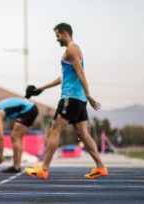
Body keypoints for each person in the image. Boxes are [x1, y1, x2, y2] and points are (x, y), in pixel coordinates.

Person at [24, 23, 108, 179]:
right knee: (83, 133)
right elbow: (63, 77)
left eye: (57, 35)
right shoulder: (72, 51)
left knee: (54, 131)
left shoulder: (71, 49)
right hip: (78, 98)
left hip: (71, 97)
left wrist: (89, 94)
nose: (57, 39)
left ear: (65, 33)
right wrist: (40, 89)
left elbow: (80, 73)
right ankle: (101, 168)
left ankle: (44, 168)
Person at [0, 97, 38, 173]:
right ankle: (17, 165)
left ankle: (16, 166)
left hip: (28, 109)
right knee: (19, 138)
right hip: (31, 108)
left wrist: (0, 156)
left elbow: (1, 137)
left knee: (14, 137)